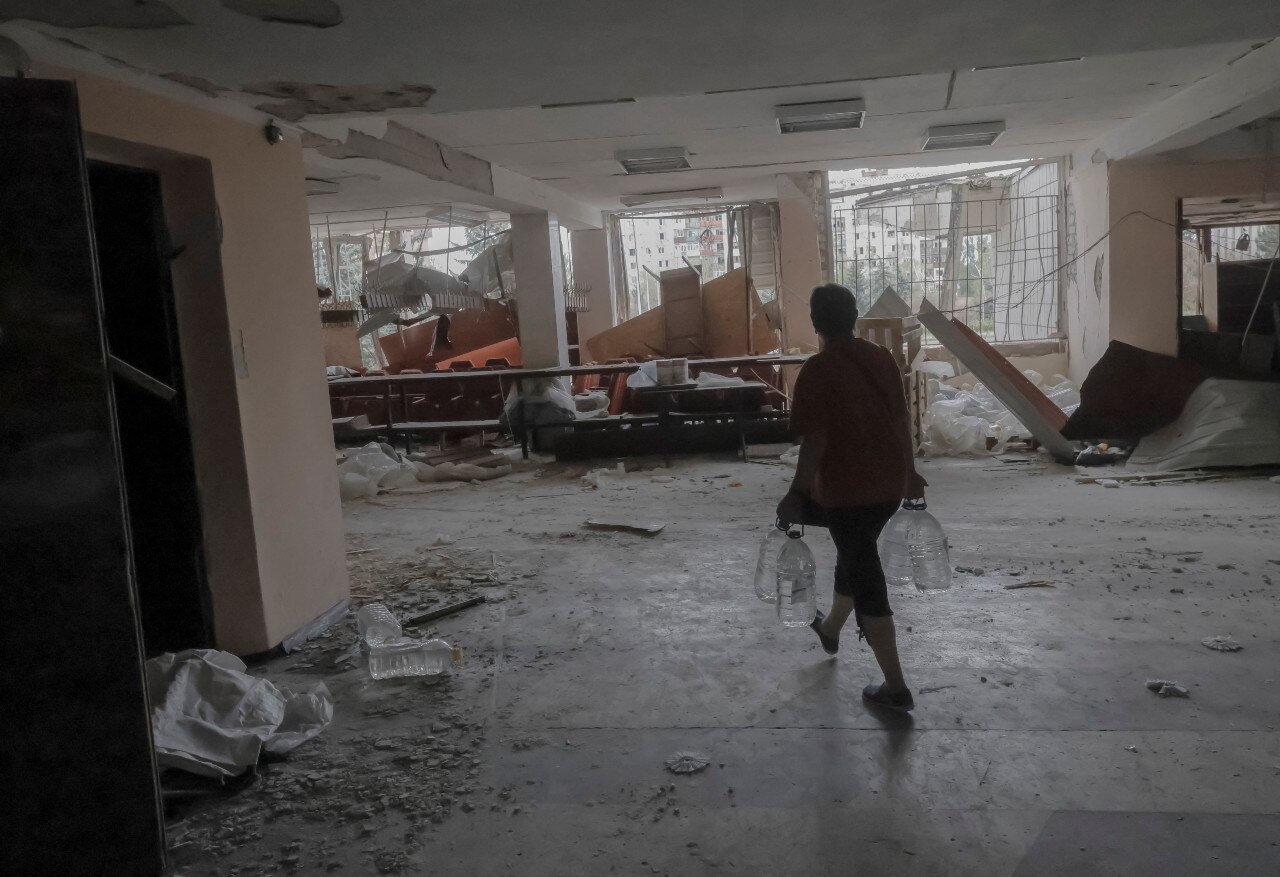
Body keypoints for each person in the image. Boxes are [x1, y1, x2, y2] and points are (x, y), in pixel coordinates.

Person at [776, 284, 926, 712]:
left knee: (865, 571)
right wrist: (910, 473)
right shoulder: (880, 359)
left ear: (815, 323)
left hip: (846, 491)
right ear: (855, 316)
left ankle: (895, 686)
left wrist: (796, 492)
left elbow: (816, 441)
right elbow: (901, 421)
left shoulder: (818, 371)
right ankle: (830, 629)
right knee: (855, 552)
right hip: (887, 488)